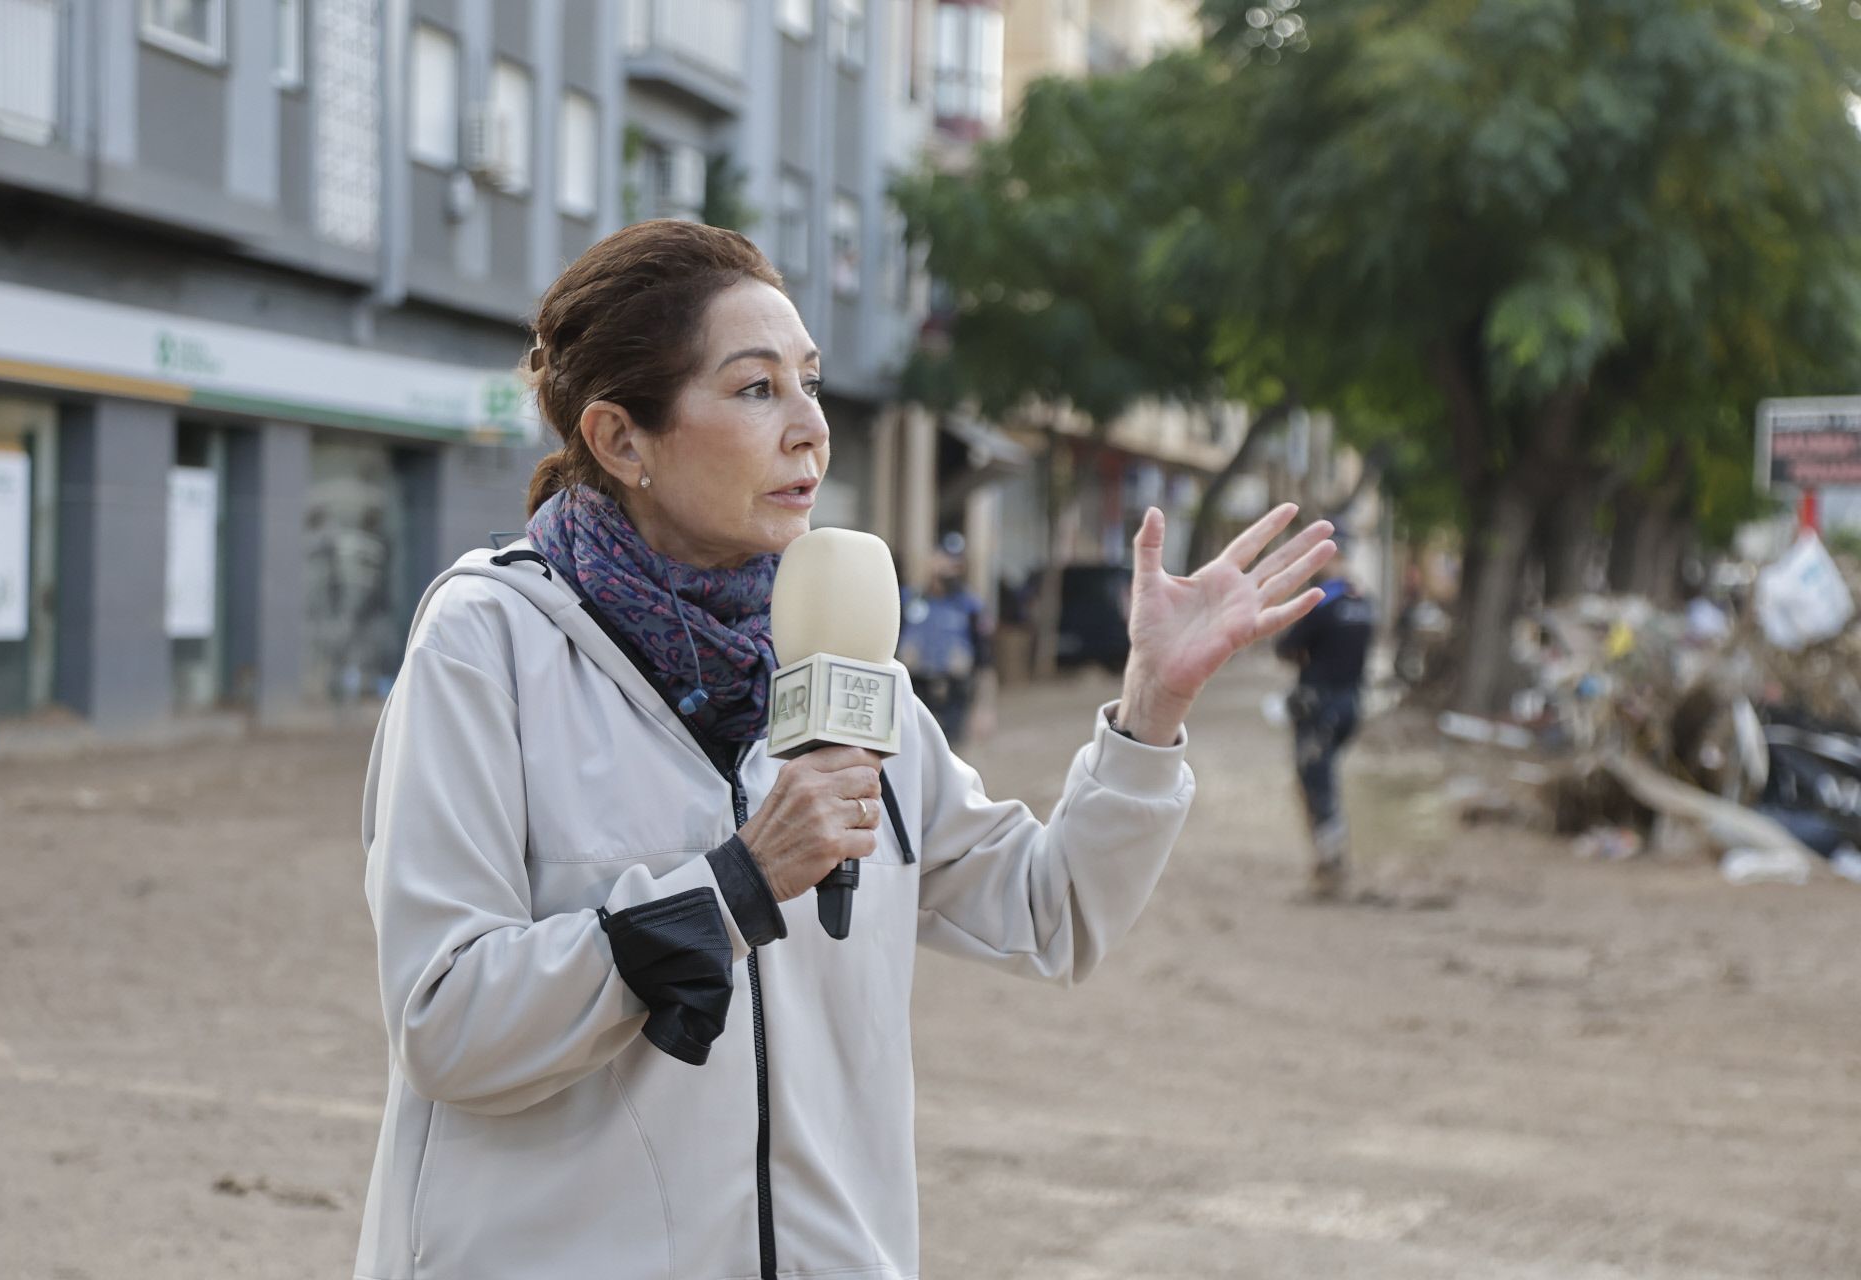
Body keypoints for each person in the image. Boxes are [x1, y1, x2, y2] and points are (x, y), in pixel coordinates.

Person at [352, 220, 1335, 1280]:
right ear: (621, 438)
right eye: (756, 388)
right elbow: (447, 1021)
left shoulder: (846, 659)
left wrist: (1149, 709)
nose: (811, 427)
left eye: (810, 382)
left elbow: (1051, 914)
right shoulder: (486, 642)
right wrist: (732, 885)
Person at [1274, 530, 1376, 899]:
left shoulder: (1323, 602)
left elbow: (1285, 646)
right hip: (1350, 705)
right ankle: (1329, 862)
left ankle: (1331, 868)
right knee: (1325, 779)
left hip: (1319, 706)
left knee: (1316, 783)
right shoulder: (1365, 602)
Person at [896, 533, 992, 748]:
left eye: (956, 562)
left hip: (954, 692)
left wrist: (984, 709)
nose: (949, 567)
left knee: (950, 754)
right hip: (915, 689)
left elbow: (985, 660)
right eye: (944, 558)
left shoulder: (970, 606)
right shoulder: (910, 600)